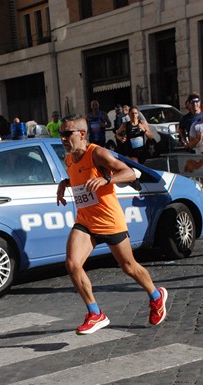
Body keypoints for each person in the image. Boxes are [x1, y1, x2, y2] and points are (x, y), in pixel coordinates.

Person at [56, 114, 168, 334]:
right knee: (72, 264)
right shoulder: (69, 159)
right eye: (61, 134)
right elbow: (79, 178)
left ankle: (156, 296)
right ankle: (95, 313)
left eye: (67, 134)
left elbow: (129, 172)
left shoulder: (97, 153)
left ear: (82, 134)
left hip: (109, 221)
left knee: (129, 267)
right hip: (86, 221)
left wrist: (106, 179)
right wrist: (64, 183)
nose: (63, 139)